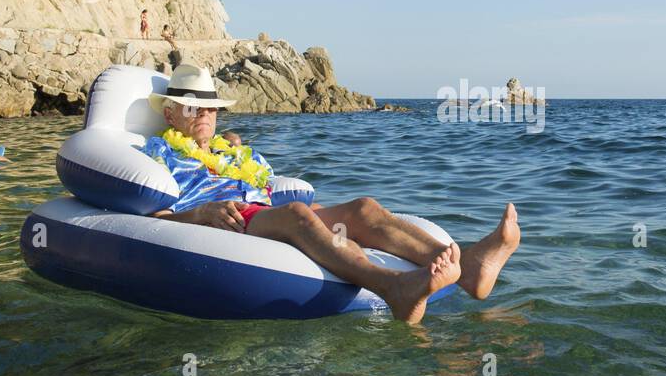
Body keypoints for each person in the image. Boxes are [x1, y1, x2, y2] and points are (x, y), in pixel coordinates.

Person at [140, 65, 520, 323]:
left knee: (362, 209)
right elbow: (154, 217)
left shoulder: (235, 151)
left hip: (262, 210)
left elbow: (267, 189)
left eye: (210, 106)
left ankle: (467, 271)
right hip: (228, 219)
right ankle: (393, 287)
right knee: (297, 215)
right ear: (171, 115)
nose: (204, 113)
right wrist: (203, 212)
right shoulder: (159, 154)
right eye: (193, 106)